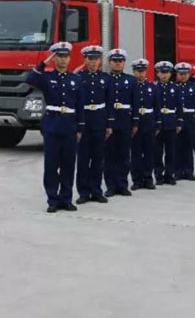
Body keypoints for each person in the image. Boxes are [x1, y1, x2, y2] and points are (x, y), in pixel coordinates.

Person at [26, 41, 84, 213]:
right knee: (51, 166)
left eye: (65, 56)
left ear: (69, 58)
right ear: (54, 58)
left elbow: (80, 105)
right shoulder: (47, 77)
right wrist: (44, 63)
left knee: (68, 165)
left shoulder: (76, 79)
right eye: (59, 56)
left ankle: (66, 199)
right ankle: (52, 199)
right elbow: (30, 79)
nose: (63, 60)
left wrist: (80, 128)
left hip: (70, 127)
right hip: (52, 126)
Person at [75, 43, 111, 205]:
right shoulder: (78, 77)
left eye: (96, 59)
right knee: (83, 160)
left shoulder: (106, 78)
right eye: (90, 59)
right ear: (85, 60)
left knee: (98, 159)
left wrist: (109, 124)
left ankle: (96, 191)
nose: (94, 62)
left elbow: (110, 102)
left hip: (99, 122)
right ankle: (83, 192)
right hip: (84, 122)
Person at [104, 48, 138, 197]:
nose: (118, 64)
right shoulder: (105, 79)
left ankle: (123, 184)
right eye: (115, 61)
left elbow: (135, 102)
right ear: (109, 63)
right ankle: (111, 185)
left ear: (124, 63)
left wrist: (135, 122)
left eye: (120, 61)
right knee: (109, 155)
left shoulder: (131, 80)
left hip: (125, 121)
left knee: (124, 155)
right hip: (109, 122)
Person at [130, 58, 159, 191]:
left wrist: (157, 124)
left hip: (149, 122)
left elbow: (157, 106)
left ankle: (148, 178)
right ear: (134, 71)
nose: (140, 74)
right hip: (135, 124)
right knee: (135, 153)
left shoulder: (152, 87)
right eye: (138, 71)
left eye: (142, 71)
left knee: (149, 152)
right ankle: (136, 180)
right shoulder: (131, 86)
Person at [154, 60, 182, 185]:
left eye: (167, 72)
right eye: (162, 72)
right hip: (158, 124)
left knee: (171, 151)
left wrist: (179, 123)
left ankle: (170, 174)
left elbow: (179, 106)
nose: (164, 75)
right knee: (158, 151)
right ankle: (159, 175)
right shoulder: (154, 87)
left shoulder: (175, 88)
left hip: (171, 122)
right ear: (157, 73)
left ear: (171, 74)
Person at [175, 61, 195, 180]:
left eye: (185, 74)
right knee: (177, 146)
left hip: (190, 119)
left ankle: (189, 171)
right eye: (181, 74)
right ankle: (178, 171)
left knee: (189, 146)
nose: (183, 76)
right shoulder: (174, 87)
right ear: (177, 74)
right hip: (177, 119)